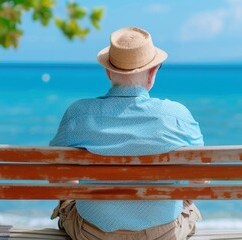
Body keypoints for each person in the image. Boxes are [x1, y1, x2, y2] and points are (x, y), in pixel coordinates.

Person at [48, 27, 203, 240]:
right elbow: (201, 180)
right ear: (153, 72)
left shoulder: (78, 114)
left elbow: (55, 174)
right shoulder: (177, 116)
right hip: (163, 234)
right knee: (188, 206)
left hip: (92, 234)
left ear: (108, 72)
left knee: (67, 202)